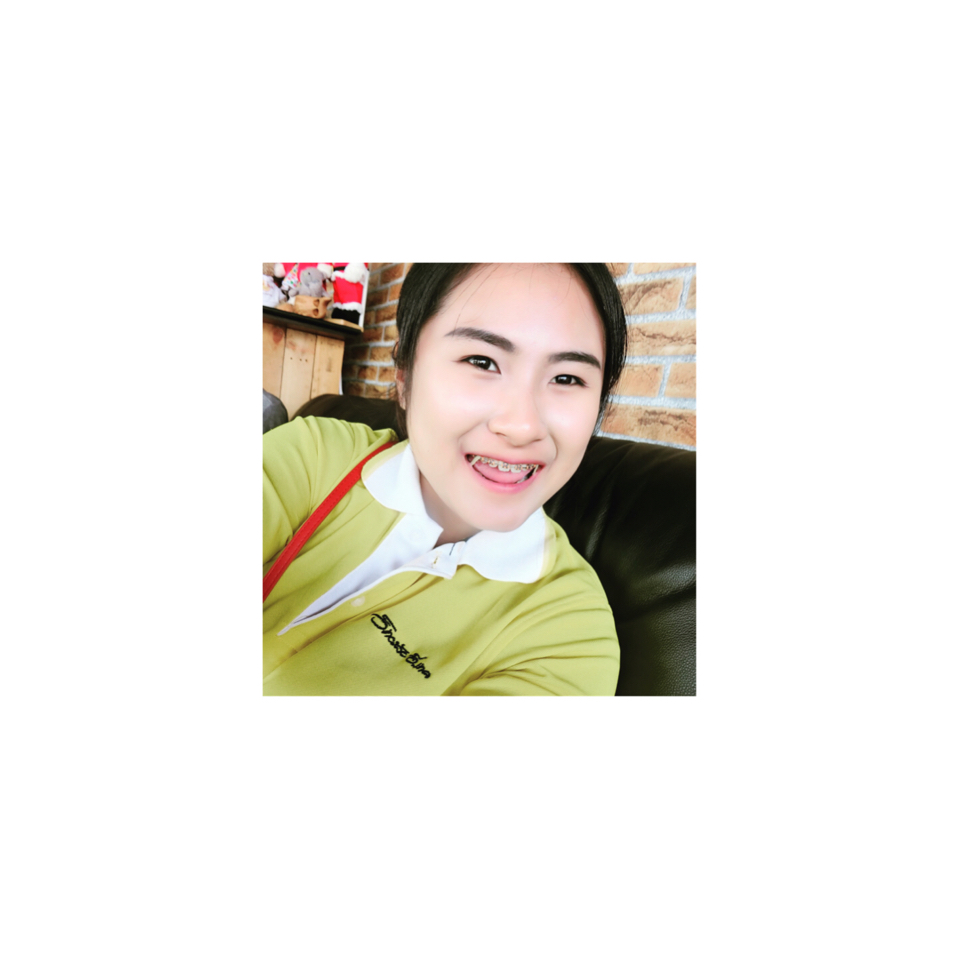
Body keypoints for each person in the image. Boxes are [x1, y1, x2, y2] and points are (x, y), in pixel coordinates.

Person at [263, 263, 627, 696]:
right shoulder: (314, 453)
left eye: (567, 378)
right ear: (404, 373)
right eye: (482, 361)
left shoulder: (571, 634)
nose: (523, 426)